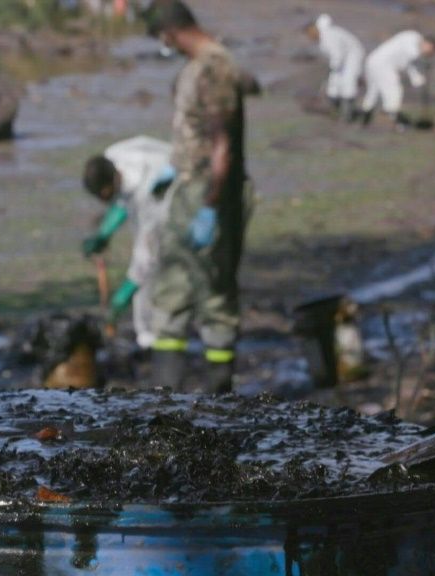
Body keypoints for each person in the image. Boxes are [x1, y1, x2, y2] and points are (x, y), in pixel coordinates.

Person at [143, 0, 253, 393]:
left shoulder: (213, 67)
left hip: (209, 191)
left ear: (170, 33)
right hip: (193, 183)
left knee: (214, 294)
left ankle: (218, 397)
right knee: (173, 288)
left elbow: (222, 142)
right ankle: (164, 396)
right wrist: (176, 165)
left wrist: (210, 206)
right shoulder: (203, 67)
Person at [81, 135, 176, 349]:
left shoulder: (147, 193)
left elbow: (146, 255)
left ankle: (150, 338)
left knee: (152, 274)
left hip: (174, 193)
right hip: (160, 167)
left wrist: (122, 296)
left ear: (108, 187)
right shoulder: (112, 157)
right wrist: (105, 232)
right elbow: (122, 201)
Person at [360, 30, 435, 128]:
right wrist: (419, 76)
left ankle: (365, 118)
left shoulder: (413, 37)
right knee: (393, 91)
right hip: (383, 65)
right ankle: (397, 120)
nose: (427, 54)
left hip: (372, 60)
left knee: (374, 91)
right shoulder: (413, 45)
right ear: (428, 44)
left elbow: (410, 64)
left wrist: (418, 77)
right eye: (429, 51)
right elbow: (410, 62)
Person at [304, 14, 366, 122]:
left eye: (309, 33)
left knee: (348, 82)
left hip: (352, 56)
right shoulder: (323, 37)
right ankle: (336, 110)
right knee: (333, 84)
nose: (309, 36)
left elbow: (337, 54)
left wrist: (332, 68)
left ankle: (348, 115)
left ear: (314, 29)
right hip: (343, 59)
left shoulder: (328, 35)